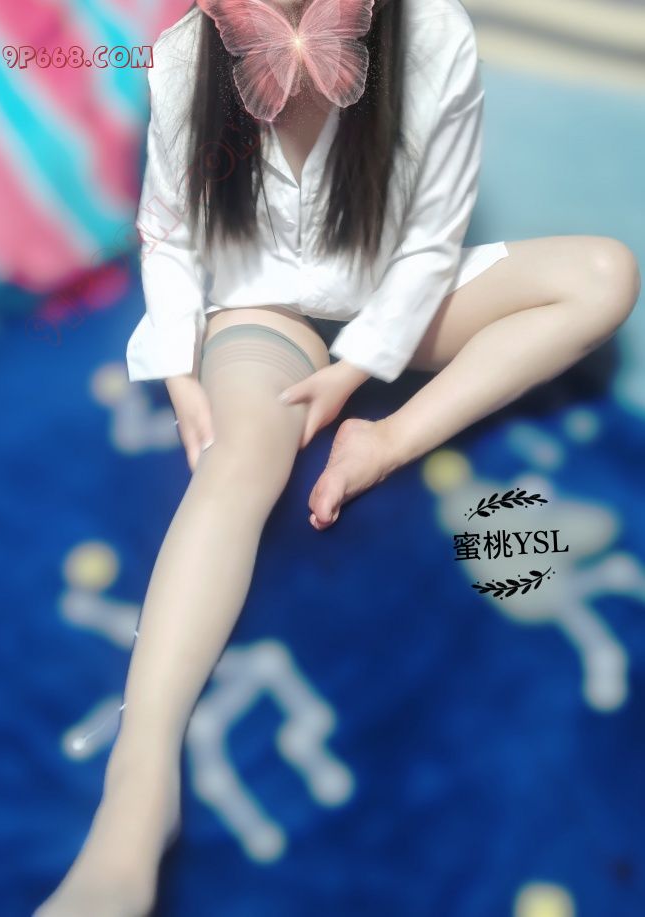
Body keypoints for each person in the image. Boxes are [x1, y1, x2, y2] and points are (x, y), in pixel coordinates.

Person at [35, 0, 640, 913]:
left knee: (602, 274)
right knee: (239, 464)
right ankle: (138, 785)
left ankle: (388, 438)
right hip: (258, 308)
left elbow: (433, 235)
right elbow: (168, 232)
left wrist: (362, 375)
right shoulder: (188, 49)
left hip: (397, 291)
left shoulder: (432, 31)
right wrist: (183, 374)